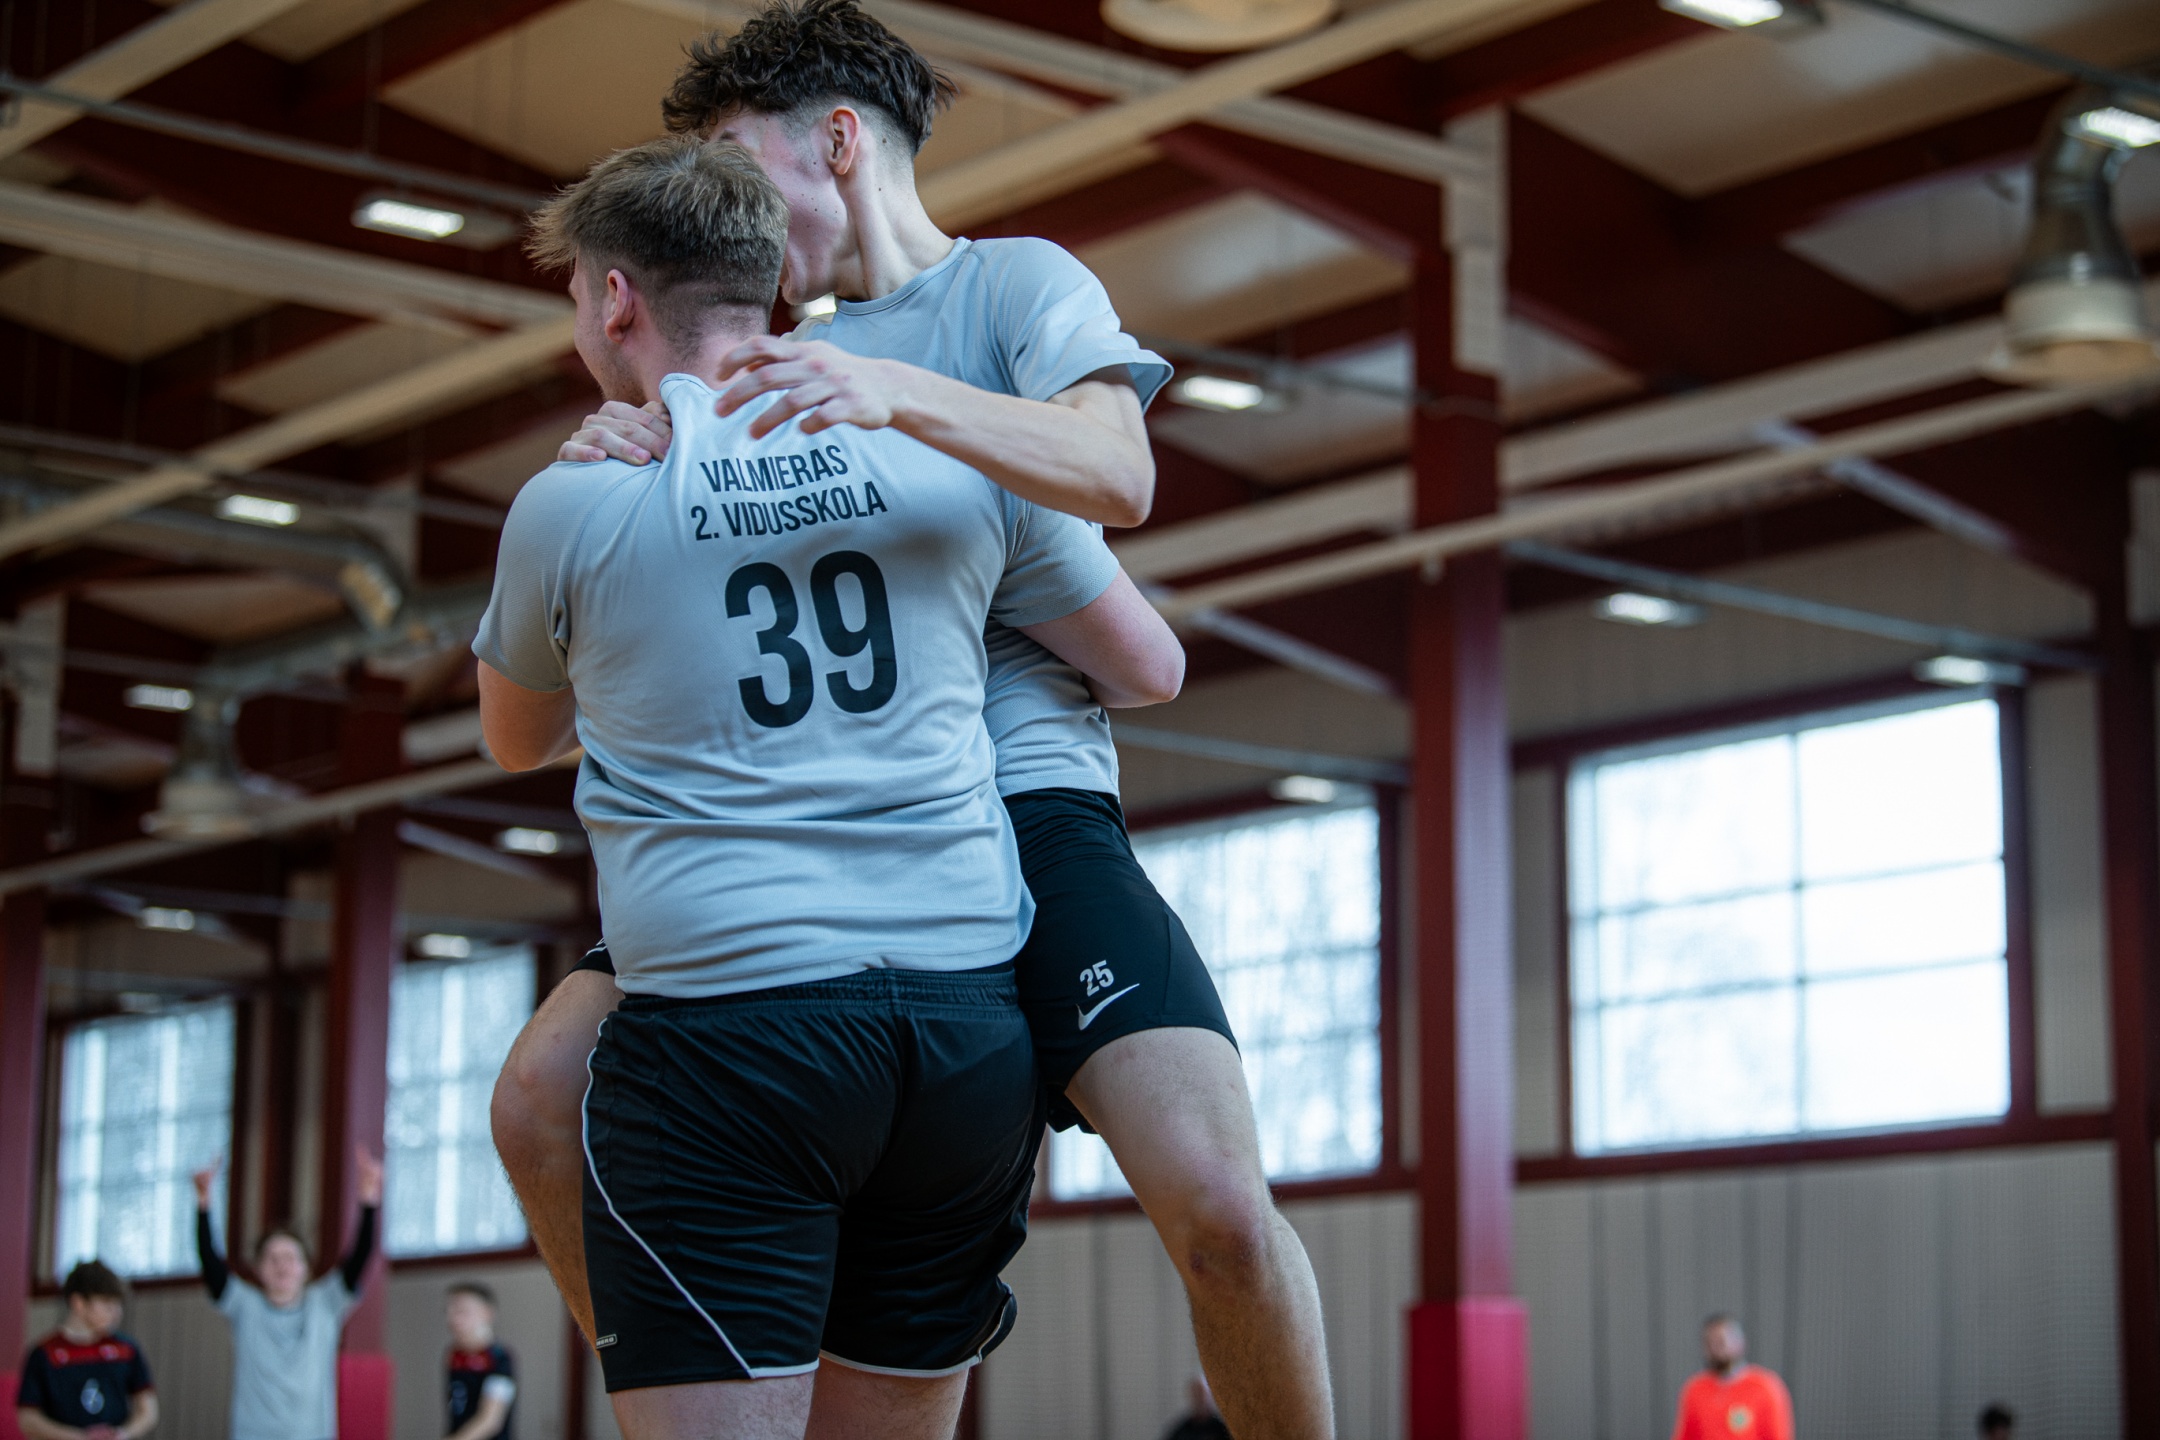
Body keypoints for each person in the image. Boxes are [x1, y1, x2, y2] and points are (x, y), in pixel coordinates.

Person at [492, 7, 1335, 1438]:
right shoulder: (773, 352)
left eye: (739, 155)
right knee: (538, 1096)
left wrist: (901, 401)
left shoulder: (1008, 286)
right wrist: (632, 437)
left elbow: (1119, 472)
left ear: (838, 141)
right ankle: (698, 1349)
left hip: (1023, 798)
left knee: (1221, 1210)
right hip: (827, 822)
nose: (732, 196)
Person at [191, 1149, 382, 1440]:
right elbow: (211, 1265)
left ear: (306, 1268)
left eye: (290, 1258)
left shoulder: (325, 1303)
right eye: (272, 1259)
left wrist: (369, 1201)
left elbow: (360, 1257)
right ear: (258, 1269)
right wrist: (204, 1204)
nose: (282, 1266)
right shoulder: (245, 1306)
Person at [15, 1261, 157, 1440]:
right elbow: (27, 1419)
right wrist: (78, 1437)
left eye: (118, 1304)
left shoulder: (126, 1349)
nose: (116, 1312)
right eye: (107, 1303)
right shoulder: (45, 1353)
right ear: (78, 1303)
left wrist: (122, 1434)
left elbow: (148, 1409)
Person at [1671, 1314, 1793, 1440]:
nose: (1715, 1348)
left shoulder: (1765, 1386)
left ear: (1739, 1342)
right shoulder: (1695, 1389)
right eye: (1709, 1343)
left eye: (1720, 1341)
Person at [443, 1282, 516, 1440]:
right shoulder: (453, 1355)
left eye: (461, 1311)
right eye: (448, 1311)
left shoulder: (499, 1357)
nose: (452, 1319)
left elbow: (491, 1420)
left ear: (487, 1313)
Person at [1161, 1373, 1231, 1440]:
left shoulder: (1222, 1428)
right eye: (1196, 1394)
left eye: (1202, 1394)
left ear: (1209, 1396)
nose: (1199, 1398)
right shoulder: (1181, 1431)